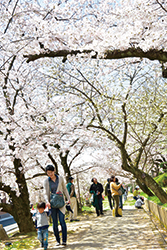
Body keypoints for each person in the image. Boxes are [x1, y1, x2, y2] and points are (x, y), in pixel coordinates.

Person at [43, 165, 70, 247]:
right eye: (48, 173)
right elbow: (45, 192)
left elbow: (64, 189)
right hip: (52, 204)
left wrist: (68, 198)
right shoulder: (46, 181)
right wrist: (47, 202)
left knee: (62, 221)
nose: (50, 174)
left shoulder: (60, 178)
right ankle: (58, 240)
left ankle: (64, 240)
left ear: (54, 171)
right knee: (55, 223)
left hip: (61, 202)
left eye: (51, 172)